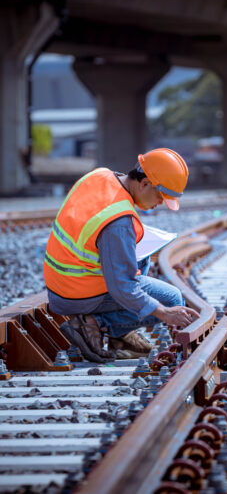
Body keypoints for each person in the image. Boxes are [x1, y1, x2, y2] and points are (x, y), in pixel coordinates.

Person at [43, 148, 200, 362]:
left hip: (60, 280)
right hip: (76, 293)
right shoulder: (119, 222)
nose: (161, 203)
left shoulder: (100, 175)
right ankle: (95, 324)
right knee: (172, 299)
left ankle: (118, 332)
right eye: (161, 196)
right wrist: (164, 312)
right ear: (144, 183)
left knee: (140, 256)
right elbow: (123, 287)